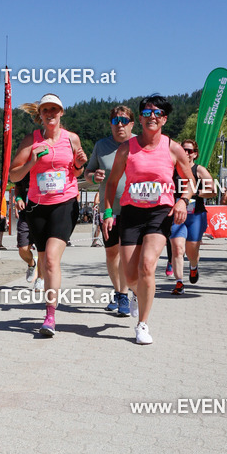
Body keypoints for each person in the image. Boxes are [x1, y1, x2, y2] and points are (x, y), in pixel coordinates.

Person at [103, 96, 196, 344]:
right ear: (141, 119)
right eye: (147, 112)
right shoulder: (127, 149)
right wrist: (108, 213)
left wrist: (183, 200)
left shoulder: (173, 148)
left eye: (157, 113)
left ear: (164, 119)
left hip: (160, 212)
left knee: (147, 266)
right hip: (131, 213)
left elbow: (190, 182)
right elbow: (112, 183)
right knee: (130, 276)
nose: (152, 117)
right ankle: (136, 292)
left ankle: (142, 325)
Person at [9, 94, 87, 336]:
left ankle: (50, 315)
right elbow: (13, 175)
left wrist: (79, 165)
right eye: (46, 110)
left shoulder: (71, 139)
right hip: (37, 207)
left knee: (52, 259)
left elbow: (77, 171)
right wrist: (31, 161)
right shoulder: (31, 140)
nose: (50, 113)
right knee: (43, 260)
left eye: (55, 109)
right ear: (40, 114)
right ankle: (48, 305)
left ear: (61, 112)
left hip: (65, 203)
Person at [85, 105, 135, 317]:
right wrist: (93, 177)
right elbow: (87, 173)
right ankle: (118, 290)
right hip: (109, 210)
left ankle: (123, 294)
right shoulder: (101, 145)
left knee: (125, 253)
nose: (120, 125)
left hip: (133, 209)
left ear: (132, 124)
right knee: (112, 253)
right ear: (110, 124)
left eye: (124, 121)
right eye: (115, 121)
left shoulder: (139, 144)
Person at [169, 138, 216, 294]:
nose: (186, 153)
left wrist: (195, 193)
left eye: (189, 151)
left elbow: (213, 191)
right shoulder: (172, 169)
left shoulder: (199, 170)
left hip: (196, 215)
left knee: (192, 251)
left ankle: (193, 266)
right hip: (177, 214)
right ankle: (179, 283)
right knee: (177, 248)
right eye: (183, 149)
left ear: (195, 154)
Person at [14, 171, 44, 289]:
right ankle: (32, 264)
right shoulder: (25, 168)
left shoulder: (47, 168)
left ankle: (40, 279)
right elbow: (17, 187)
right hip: (26, 214)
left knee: (42, 249)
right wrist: (18, 199)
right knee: (23, 249)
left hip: (43, 214)